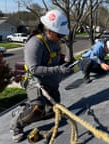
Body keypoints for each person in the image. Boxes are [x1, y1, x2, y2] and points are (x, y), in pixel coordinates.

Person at [10, 9, 72, 142]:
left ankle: (25, 108)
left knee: (54, 111)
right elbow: (34, 69)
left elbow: (53, 58)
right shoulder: (35, 43)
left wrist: (64, 62)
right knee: (37, 109)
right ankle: (17, 124)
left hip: (51, 83)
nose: (61, 38)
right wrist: (58, 70)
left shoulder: (55, 41)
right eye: (59, 34)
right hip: (35, 81)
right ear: (49, 30)